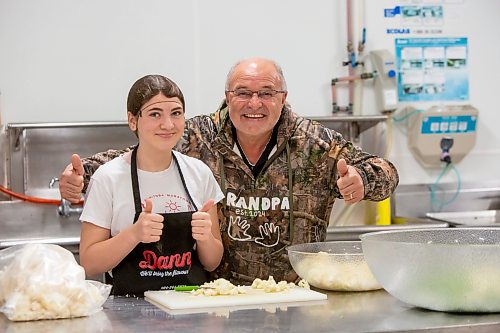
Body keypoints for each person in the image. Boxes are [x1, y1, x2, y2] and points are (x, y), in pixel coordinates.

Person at [61, 57, 399, 286]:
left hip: (296, 295)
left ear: (283, 98)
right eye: (243, 93)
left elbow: (385, 170)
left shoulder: (315, 144)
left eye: (266, 93)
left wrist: (362, 180)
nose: (255, 104)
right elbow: (132, 157)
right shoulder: (197, 137)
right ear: (227, 96)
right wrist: (83, 175)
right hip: (214, 298)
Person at [78, 75, 224, 296]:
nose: (168, 124)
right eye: (155, 114)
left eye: (176, 113)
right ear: (132, 120)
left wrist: (205, 239)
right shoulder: (108, 178)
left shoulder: (199, 173)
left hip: (189, 308)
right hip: (128, 313)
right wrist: (134, 234)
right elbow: (89, 263)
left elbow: (212, 262)